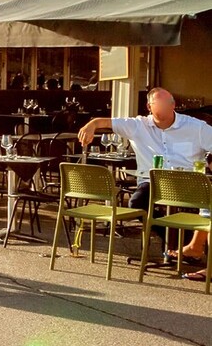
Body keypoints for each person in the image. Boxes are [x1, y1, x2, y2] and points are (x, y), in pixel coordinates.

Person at [78, 87, 212, 268]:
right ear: (149, 107)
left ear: (173, 105)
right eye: (158, 105)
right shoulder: (138, 125)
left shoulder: (195, 127)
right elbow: (105, 122)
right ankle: (177, 242)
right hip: (152, 181)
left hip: (187, 183)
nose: (164, 109)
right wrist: (90, 125)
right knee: (137, 202)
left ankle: (193, 247)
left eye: (167, 105)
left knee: (207, 204)